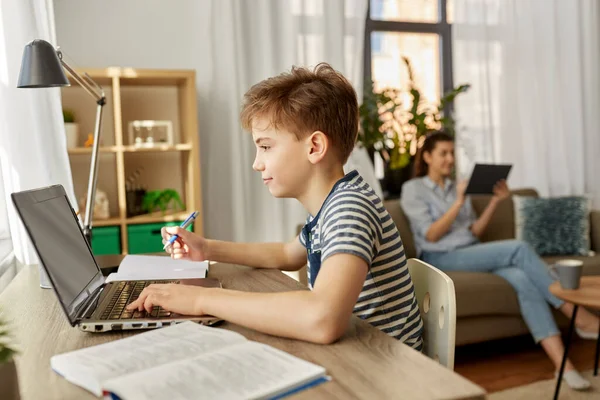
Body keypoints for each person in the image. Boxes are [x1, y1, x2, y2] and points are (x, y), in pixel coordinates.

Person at [127, 63, 423, 350]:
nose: (257, 164)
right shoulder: (331, 206)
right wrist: (206, 248)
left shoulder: (350, 209)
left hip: (385, 372)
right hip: (358, 357)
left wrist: (198, 300)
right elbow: (287, 254)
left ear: (314, 147)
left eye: (266, 146)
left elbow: (323, 318)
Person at [400, 131, 599, 390]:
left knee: (521, 279)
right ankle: (578, 315)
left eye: (452, 153)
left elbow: (474, 232)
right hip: (439, 256)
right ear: (427, 156)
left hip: (469, 250)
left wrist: (495, 202)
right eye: (443, 153)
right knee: (518, 248)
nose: (450, 159)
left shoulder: (455, 186)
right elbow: (431, 234)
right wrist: (459, 201)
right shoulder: (412, 189)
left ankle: (565, 366)